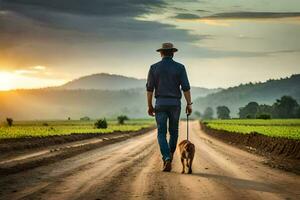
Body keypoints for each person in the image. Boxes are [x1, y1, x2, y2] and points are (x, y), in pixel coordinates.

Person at [146, 42, 192, 172]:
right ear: (173, 53)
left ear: (161, 53)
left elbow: (149, 89)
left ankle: (166, 158)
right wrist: (189, 104)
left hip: (160, 103)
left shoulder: (154, 68)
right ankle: (171, 155)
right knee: (174, 132)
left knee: (161, 132)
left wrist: (149, 105)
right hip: (175, 104)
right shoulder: (180, 68)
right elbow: (186, 88)